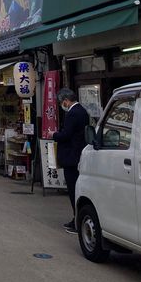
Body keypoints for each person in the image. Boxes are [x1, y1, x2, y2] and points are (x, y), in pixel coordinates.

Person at [53, 88, 89, 233]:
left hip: (72, 156)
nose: (63, 105)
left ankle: (77, 221)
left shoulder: (73, 114)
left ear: (66, 101)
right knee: (76, 189)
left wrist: (54, 134)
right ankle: (77, 219)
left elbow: (66, 135)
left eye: (62, 103)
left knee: (74, 189)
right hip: (79, 155)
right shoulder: (83, 111)